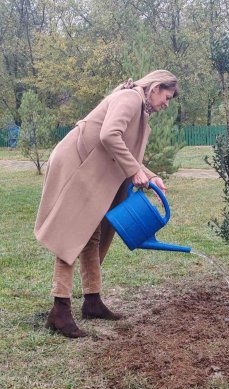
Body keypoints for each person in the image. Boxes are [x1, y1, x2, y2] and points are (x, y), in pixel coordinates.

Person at [34, 69, 179, 338]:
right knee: (72, 234)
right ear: (156, 87)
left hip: (91, 167)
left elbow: (126, 149)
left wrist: (151, 175)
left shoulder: (139, 108)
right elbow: (109, 136)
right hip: (77, 163)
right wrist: (135, 171)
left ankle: (92, 301)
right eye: (167, 97)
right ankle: (60, 311)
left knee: (92, 233)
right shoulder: (130, 98)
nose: (166, 104)